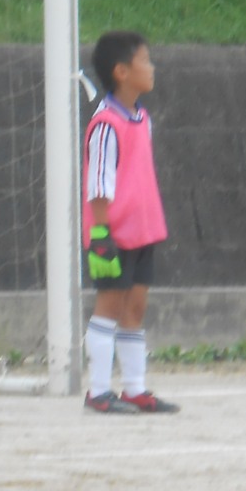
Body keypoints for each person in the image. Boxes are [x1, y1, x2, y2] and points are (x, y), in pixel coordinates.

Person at [81, 30, 179, 414]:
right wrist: (100, 234)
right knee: (109, 308)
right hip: (114, 234)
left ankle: (135, 389)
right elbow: (98, 185)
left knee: (134, 309)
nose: (151, 68)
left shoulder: (142, 118)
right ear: (121, 72)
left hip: (143, 231)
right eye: (145, 61)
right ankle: (98, 391)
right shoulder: (106, 124)